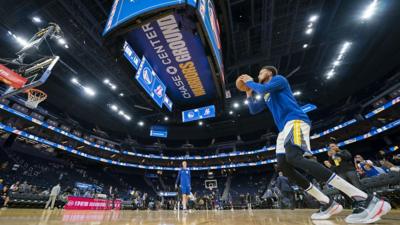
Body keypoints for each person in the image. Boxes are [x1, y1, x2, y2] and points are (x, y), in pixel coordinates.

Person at [240, 66, 391, 223]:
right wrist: (248, 94)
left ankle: (366, 199)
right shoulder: (266, 93)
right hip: (283, 129)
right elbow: (253, 110)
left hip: (295, 121)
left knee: (294, 157)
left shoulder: (278, 80)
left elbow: (263, 88)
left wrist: (250, 82)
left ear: (269, 73)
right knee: (284, 167)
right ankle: (327, 202)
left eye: (261, 72)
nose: (258, 74)